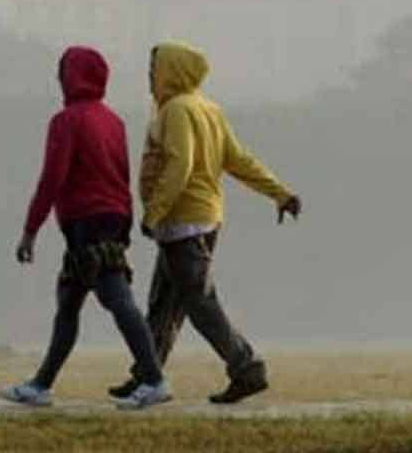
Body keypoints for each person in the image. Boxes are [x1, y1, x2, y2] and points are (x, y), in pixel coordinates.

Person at [107, 41, 302, 405]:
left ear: (172, 72)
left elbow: (179, 164)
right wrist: (280, 193)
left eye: (155, 71)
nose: (150, 78)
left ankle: (246, 368)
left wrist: (154, 213)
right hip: (201, 219)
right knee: (165, 303)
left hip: (183, 221)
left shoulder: (177, 111)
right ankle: (146, 374)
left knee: (199, 302)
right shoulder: (207, 109)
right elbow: (238, 159)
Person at [0, 46, 171, 410]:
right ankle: (41, 384)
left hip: (87, 224)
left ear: (72, 76)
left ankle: (155, 379)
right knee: (68, 304)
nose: (58, 78)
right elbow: (122, 175)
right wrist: (125, 220)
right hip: (111, 218)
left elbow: (52, 178)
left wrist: (30, 230)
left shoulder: (66, 122)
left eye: (62, 71)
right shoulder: (114, 121)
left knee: (117, 299)